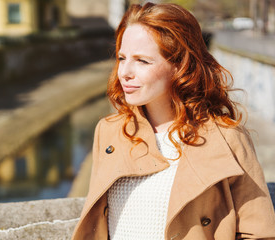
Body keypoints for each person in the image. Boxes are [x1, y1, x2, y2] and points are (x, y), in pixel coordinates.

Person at [72, 3, 275, 240]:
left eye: (142, 61)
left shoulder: (228, 138)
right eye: (122, 57)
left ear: (180, 66)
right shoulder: (109, 132)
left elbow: (259, 233)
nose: (124, 71)